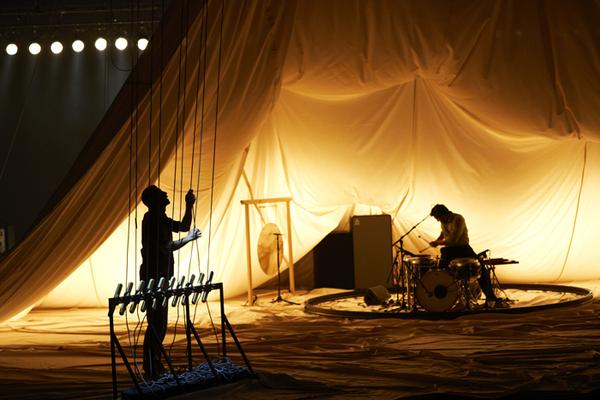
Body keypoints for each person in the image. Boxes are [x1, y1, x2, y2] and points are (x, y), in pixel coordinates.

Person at [139, 185, 201, 379]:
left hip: (162, 276)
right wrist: (188, 239)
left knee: (160, 324)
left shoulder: (162, 219)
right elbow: (166, 247)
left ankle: (154, 364)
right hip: (153, 277)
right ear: (155, 201)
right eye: (161, 193)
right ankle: (151, 366)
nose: (166, 193)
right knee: (156, 323)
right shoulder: (151, 220)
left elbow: (183, 226)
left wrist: (188, 205)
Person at [428, 204, 499, 306]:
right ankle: (437, 298)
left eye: (438, 218)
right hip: (449, 250)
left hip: (463, 249)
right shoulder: (443, 221)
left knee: (481, 269)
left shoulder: (458, 219)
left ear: (444, 214)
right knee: (440, 273)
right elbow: (443, 233)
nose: (438, 220)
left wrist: (437, 243)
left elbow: (454, 239)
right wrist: (437, 240)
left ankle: (491, 298)